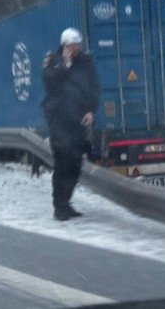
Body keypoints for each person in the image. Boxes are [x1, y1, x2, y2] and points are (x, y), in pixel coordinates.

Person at [41, 28, 100, 221]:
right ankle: (59, 206)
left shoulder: (85, 62)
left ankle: (66, 202)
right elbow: (49, 82)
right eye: (72, 46)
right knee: (62, 162)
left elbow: (93, 87)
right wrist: (64, 65)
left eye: (78, 46)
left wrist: (91, 110)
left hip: (77, 119)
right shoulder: (52, 60)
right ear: (64, 45)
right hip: (58, 119)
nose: (76, 49)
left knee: (75, 163)